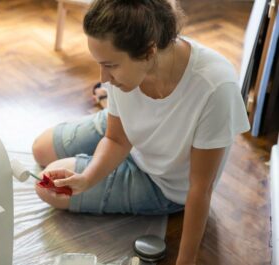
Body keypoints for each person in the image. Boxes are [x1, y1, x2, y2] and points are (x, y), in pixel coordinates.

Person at [31, 0, 250, 264]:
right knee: (40, 148)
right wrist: (87, 178)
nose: (103, 78)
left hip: (163, 183)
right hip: (131, 132)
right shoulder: (125, 68)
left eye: (110, 65)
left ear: (149, 52)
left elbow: (200, 189)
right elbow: (116, 138)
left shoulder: (215, 87)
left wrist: (186, 260)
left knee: (46, 187)